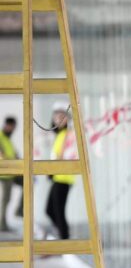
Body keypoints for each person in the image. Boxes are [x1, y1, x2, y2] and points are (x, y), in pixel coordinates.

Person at [46, 102, 76, 240]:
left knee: (57, 212)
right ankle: (64, 237)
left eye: (61, 117)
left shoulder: (69, 134)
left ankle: (65, 239)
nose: (58, 119)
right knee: (50, 210)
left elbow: (67, 156)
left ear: (68, 118)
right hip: (57, 177)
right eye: (56, 117)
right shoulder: (60, 135)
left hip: (64, 178)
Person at [0, 116, 23, 231]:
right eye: (12, 127)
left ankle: (20, 210)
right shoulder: (1, 137)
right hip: (5, 173)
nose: (13, 129)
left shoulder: (8, 139)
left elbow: (14, 154)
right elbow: (2, 154)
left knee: (27, 182)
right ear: (7, 125)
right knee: (6, 199)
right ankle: (2, 225)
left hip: (12, 171)